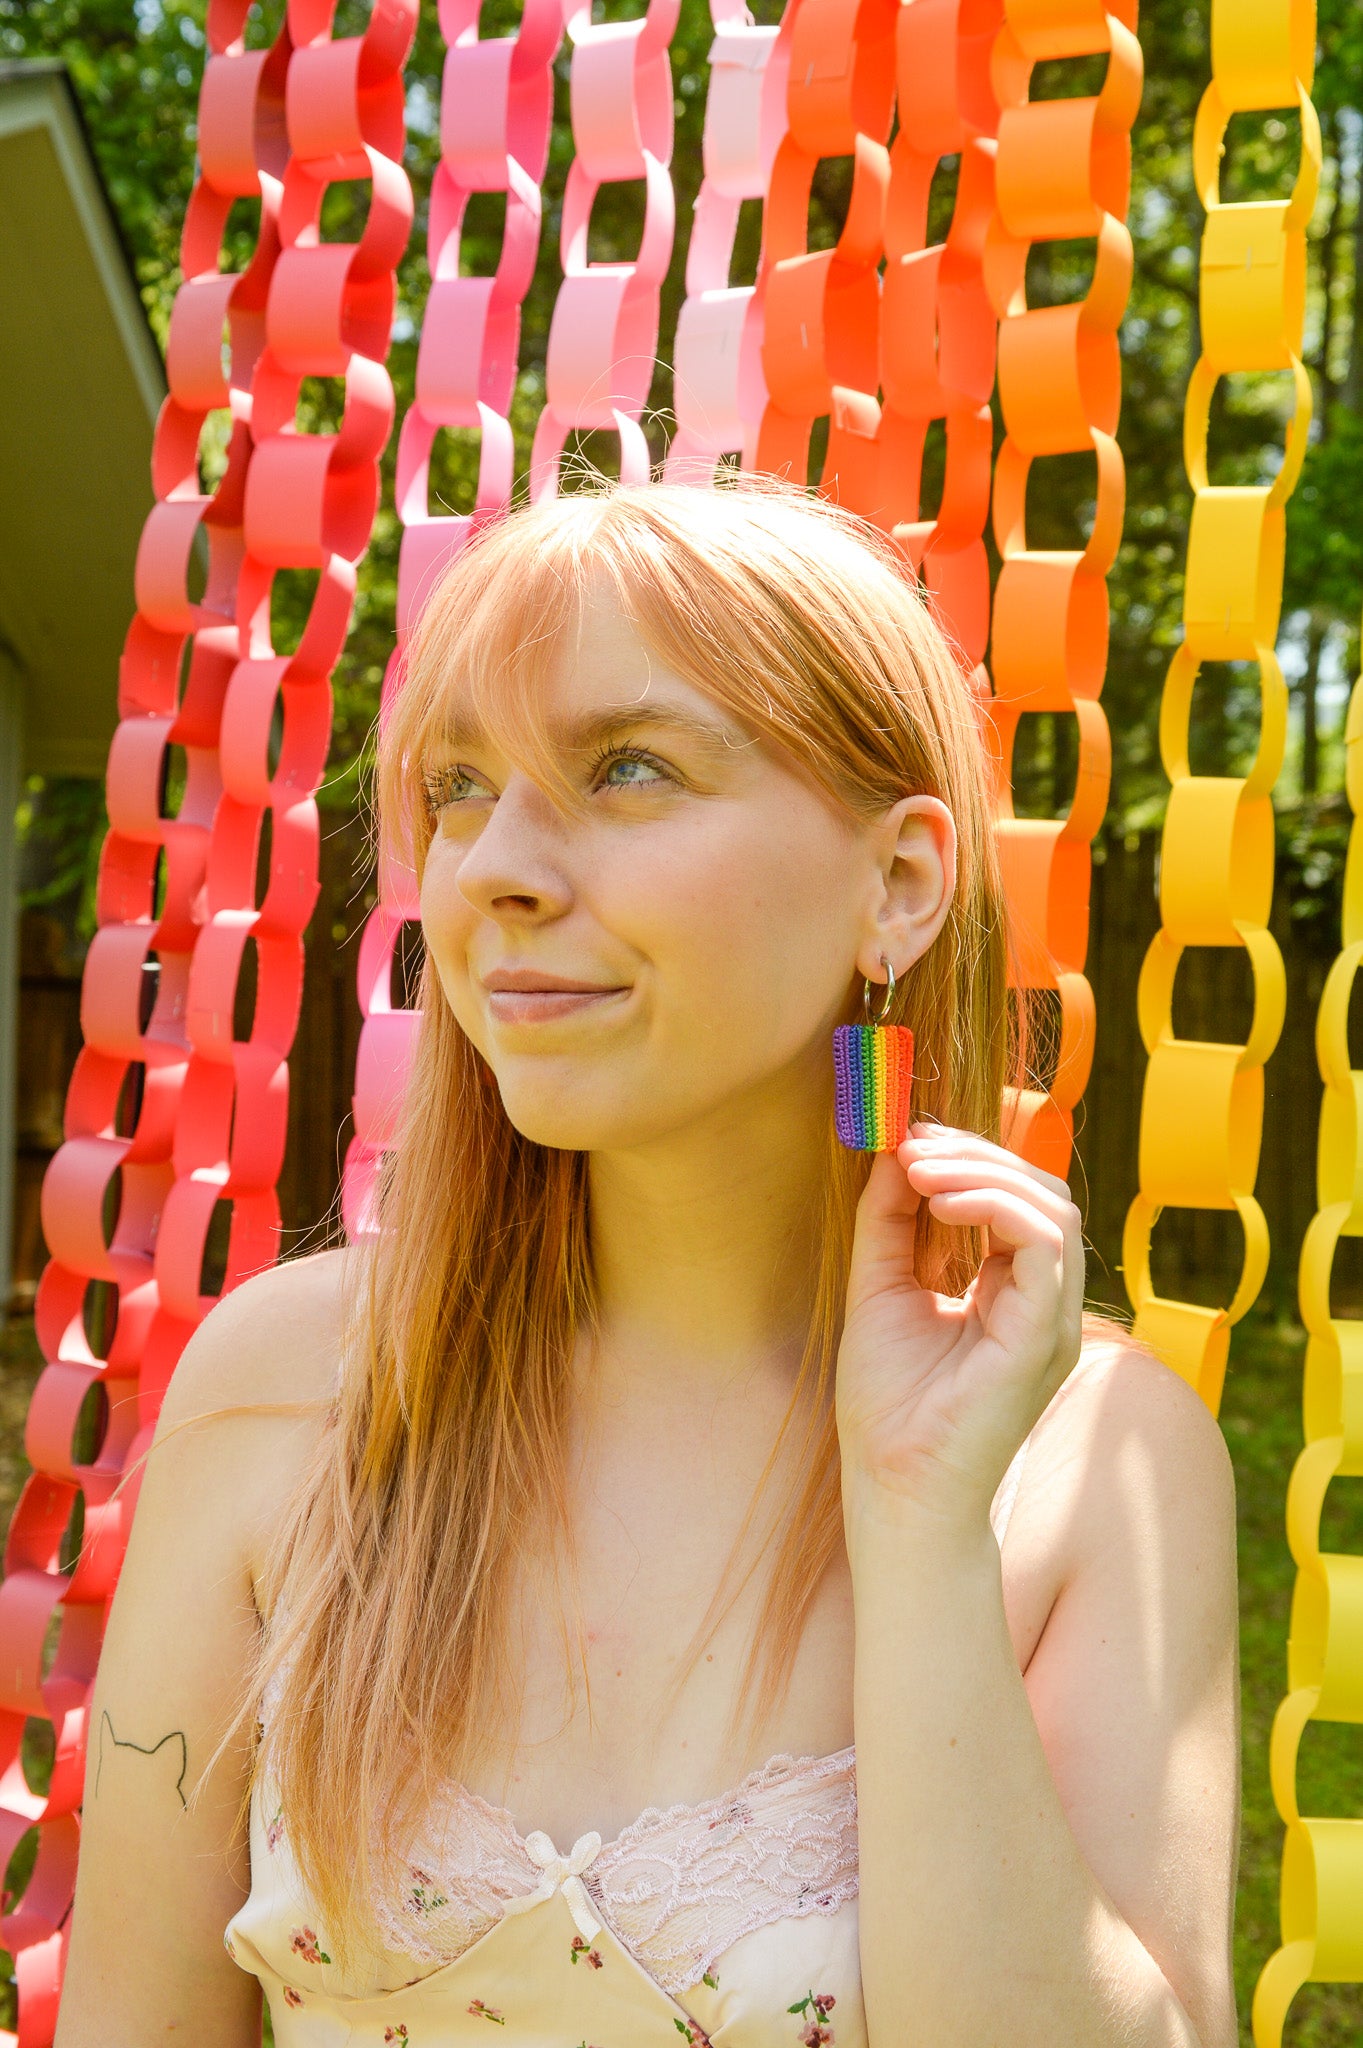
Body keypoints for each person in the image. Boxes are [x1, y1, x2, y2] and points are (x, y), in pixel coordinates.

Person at [55, 472, 1240, 2048]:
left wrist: (920, 1529)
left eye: (627, 768)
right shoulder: (286, 1391)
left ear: (896, 884)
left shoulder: (1092, 1455)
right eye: (462, 788)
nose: (493, 872)